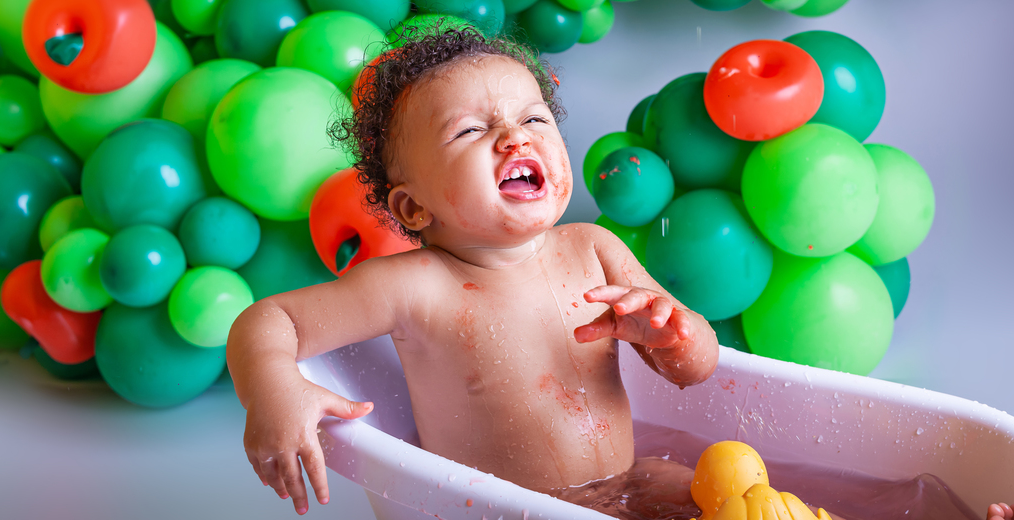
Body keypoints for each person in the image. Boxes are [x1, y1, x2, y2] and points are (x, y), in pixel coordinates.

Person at [227, 26, 720, 516]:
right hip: (499, 511)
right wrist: (274, 389)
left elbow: (695, 371)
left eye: (534, 118)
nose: (514, 137)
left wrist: (672, 337)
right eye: (470, 130)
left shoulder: (595, 249)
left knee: (723, 496)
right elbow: (270, 320)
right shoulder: (413, 286)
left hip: (627, 480)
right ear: (414, 207)